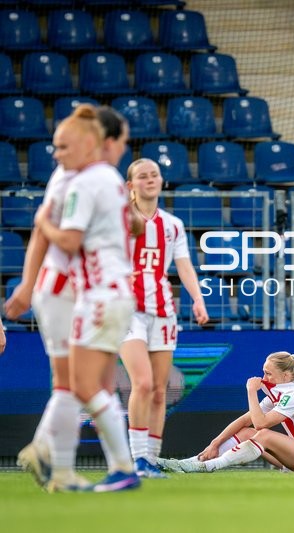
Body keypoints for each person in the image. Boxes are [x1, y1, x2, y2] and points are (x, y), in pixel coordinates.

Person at [8, 106, 137, 492]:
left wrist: (41, 222)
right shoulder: (89, 178)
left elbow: (59, 235)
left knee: (79, 384)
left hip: (89, 291)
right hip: (74, 289)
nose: (56, 154)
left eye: (62, 146)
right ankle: (63, 463)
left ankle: (59, 457)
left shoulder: (83, 180)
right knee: (80, 383)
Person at [119, 158, 209, 478]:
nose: (150, 180)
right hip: (126, 310)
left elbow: (183, 266)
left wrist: (198, 300)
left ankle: (151, 460)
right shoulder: (119, 219)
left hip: (163, 311)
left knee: (159, 389)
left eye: (154, 175)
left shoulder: (172, 225)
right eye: (142, 176)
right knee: (141, 383)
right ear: (130, 186)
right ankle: (137, 459)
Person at [157, 351, 294, 473]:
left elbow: (260, 424)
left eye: (268, 373)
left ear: (286, 376)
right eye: (263, 372)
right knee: (247, 433)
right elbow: (246, 420)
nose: (263, 378)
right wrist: (215, 443)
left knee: (264, 435)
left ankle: (206, 466)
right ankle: (193, 461)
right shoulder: (285, 389)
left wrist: (251, 391)